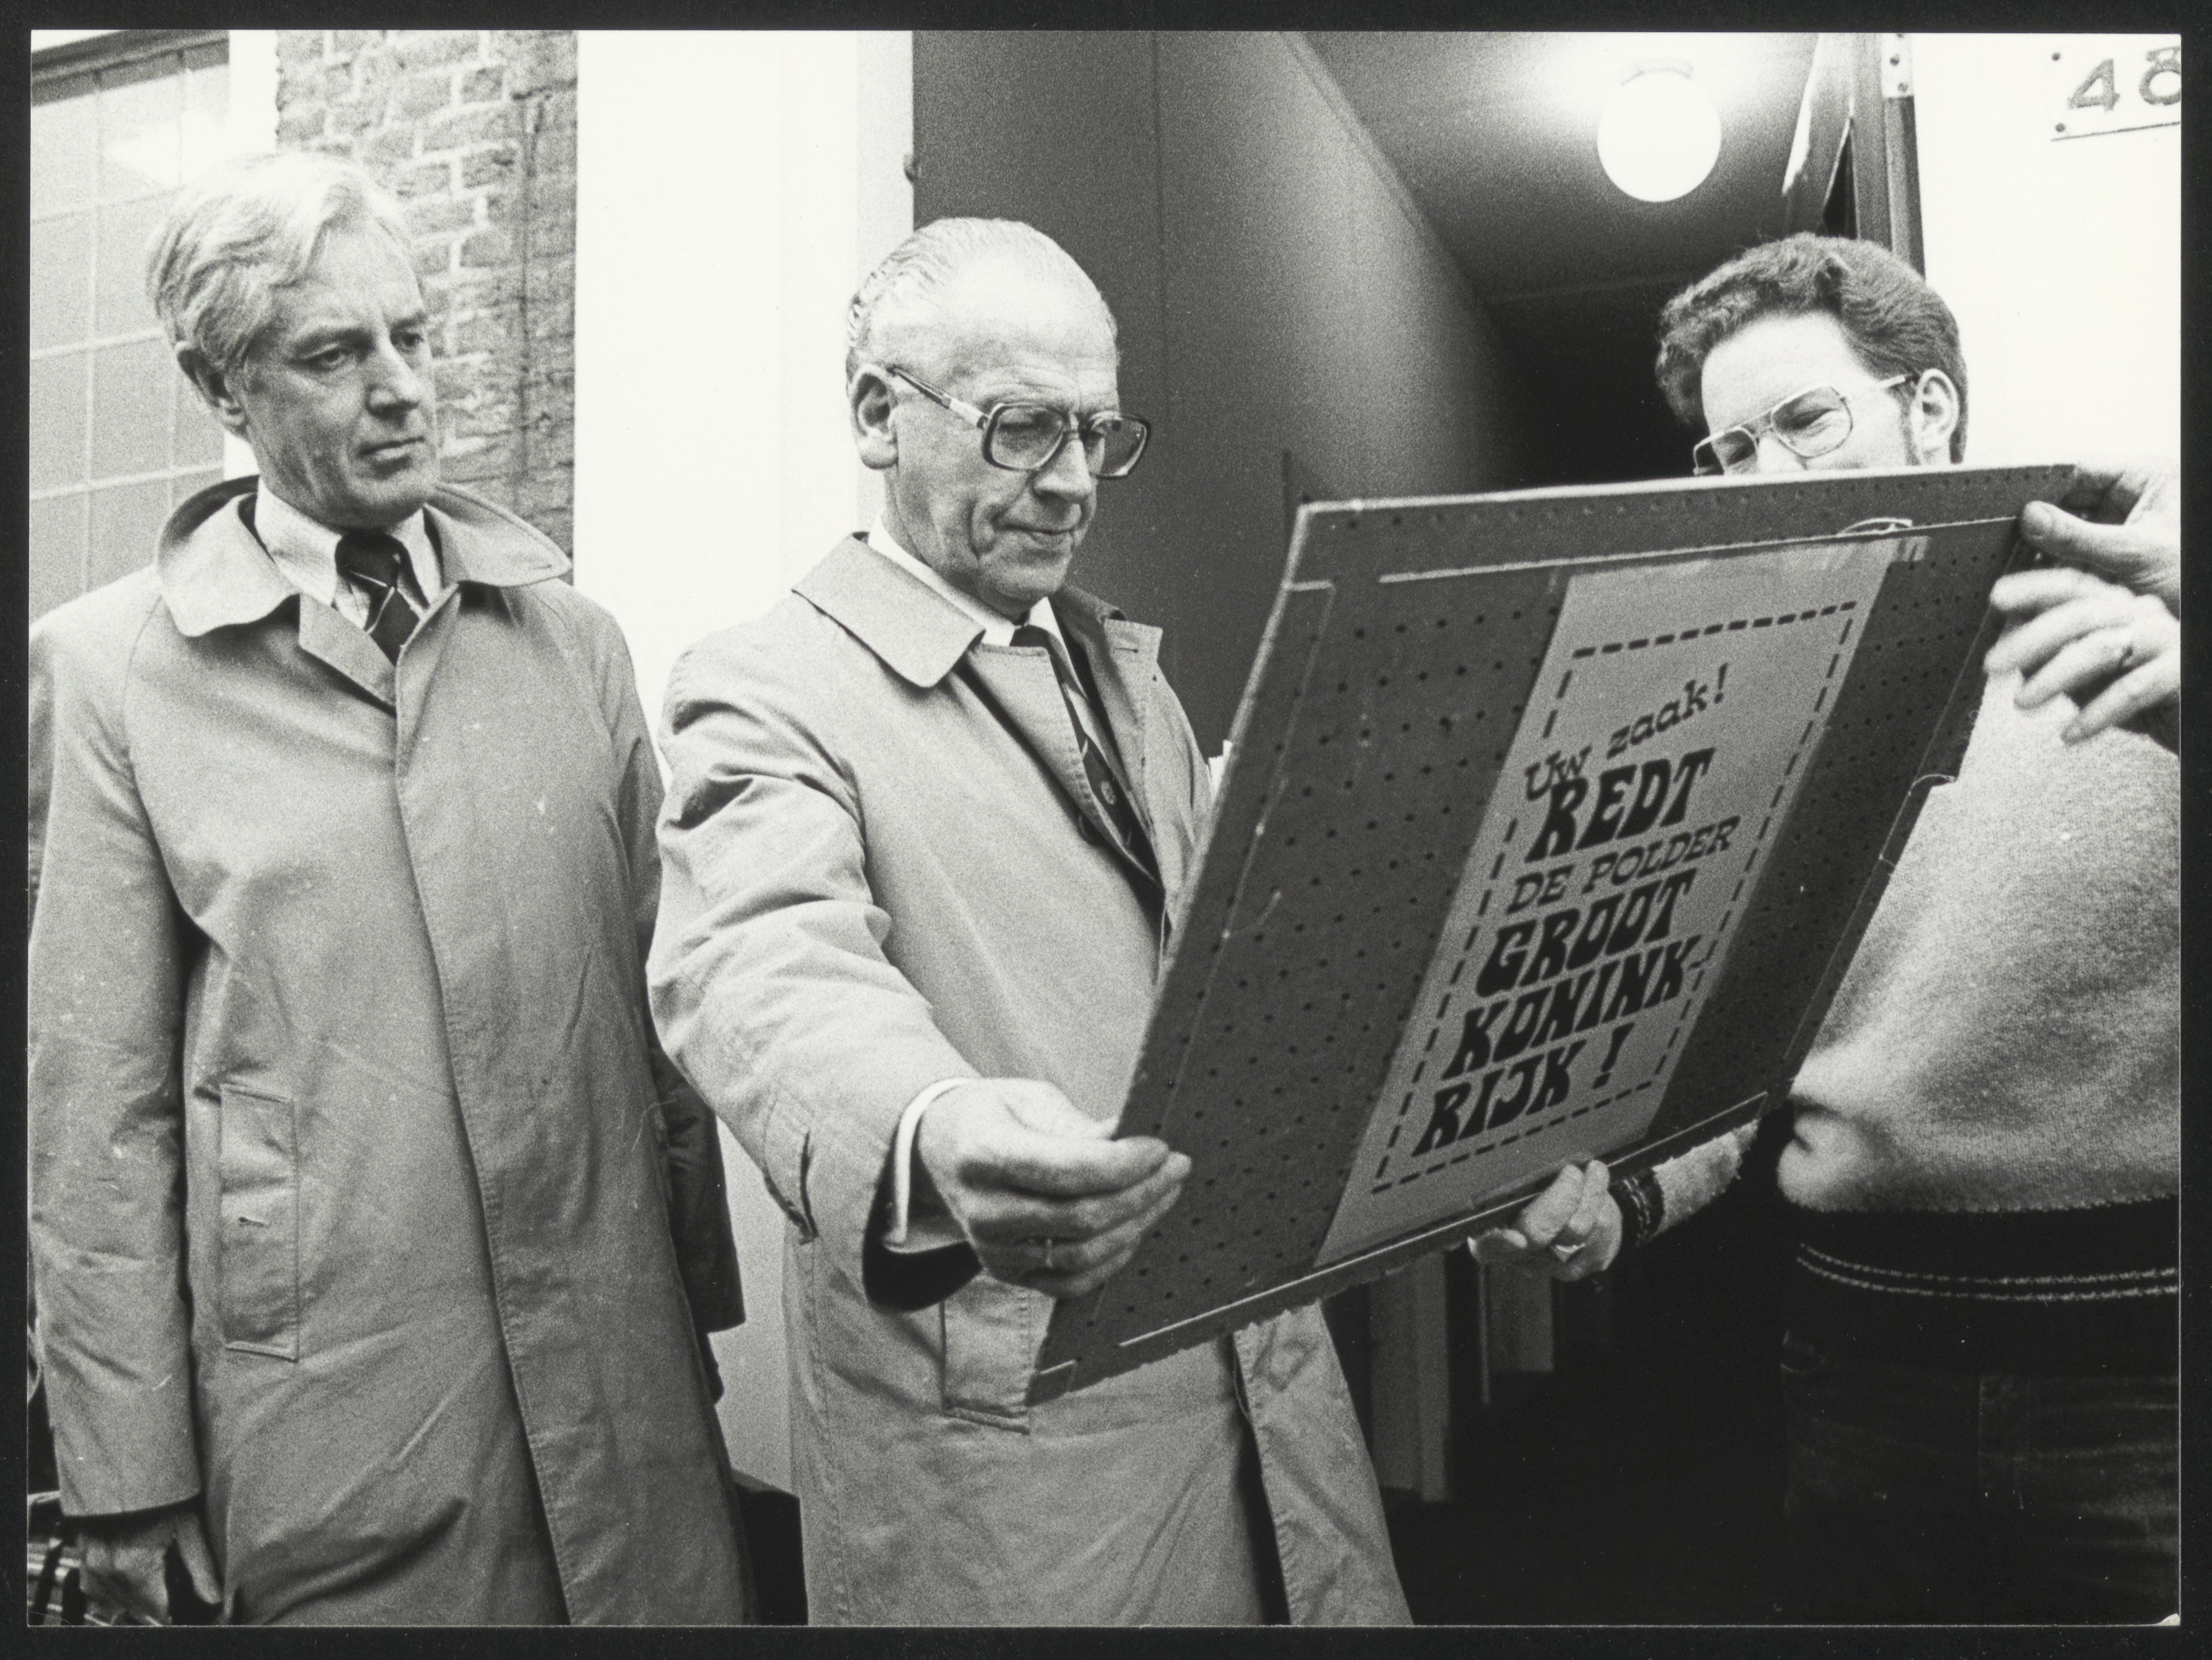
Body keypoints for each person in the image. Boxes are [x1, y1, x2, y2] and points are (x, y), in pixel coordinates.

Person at [650, 216, 1434, 1626]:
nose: (1071, 481)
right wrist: (930, 1126)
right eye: (1021, 428)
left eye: (1095, 432)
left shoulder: (1130, 682)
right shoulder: (763, 689)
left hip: (1257, 1391)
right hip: (1016, 1458)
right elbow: (759, 966)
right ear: (876, 416)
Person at [27, 151, 752, 1626]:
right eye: (333, 353)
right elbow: (97, 1108)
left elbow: (654, 1005)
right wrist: (125, 1466)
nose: (402, 388)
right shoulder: (110, 675)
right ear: (221, 386)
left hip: (622, 1391)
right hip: (331, 1428)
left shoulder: (574, 644)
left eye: (412, 336)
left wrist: (691, 1314)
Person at [1561, 234, 2178, 1623]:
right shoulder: (1763, 701)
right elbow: (1743, 1039)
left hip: (2145, 1373)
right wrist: (1623, 1197)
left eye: (1803, 420)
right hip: (1857, 1361)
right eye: (1730, 450)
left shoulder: (2141, 608)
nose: (1767, 477)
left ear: (1930, 407)